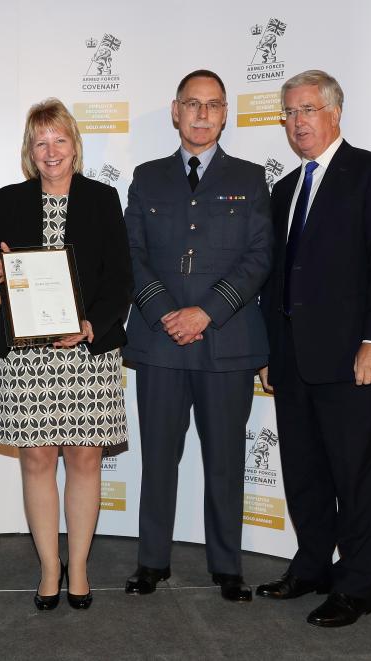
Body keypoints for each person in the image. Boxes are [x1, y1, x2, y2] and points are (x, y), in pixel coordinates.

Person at [257, 70, 371, 627]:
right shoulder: (284, 189)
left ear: (335, 113)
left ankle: (356, 586)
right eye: (290, 113)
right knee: (305, 471)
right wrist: (272, 350)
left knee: (356, 476)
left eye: (309, 110)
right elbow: (277, 280)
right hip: (293, 358)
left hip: (353, 359)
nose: (298, 122)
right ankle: (312, 565)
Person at [122, 69, 272, 602]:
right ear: (175, 110)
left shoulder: (252, 179)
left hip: (226, 341)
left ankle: (227, 567)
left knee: (226, 461)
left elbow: (259, 257)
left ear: (226, 113)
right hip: (160, 341)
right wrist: (168, 312)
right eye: (192, 104)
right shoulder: (146, 177)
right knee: (158, 457)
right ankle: (150, 563)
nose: (202, 115)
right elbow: (132, 255)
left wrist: (205, 313)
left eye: (213, 105)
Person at [0, 99, 132, 610]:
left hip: (88, 351)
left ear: (74, 145)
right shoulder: (8, 201)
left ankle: (82, 566)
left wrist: (93, 326)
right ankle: (50, 567)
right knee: (37, 459)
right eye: (40, 142)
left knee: (86, 458)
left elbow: (121, 278)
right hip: (29, 355)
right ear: (30, 150)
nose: (50, 151)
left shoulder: (102, 198)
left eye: (59, 140)